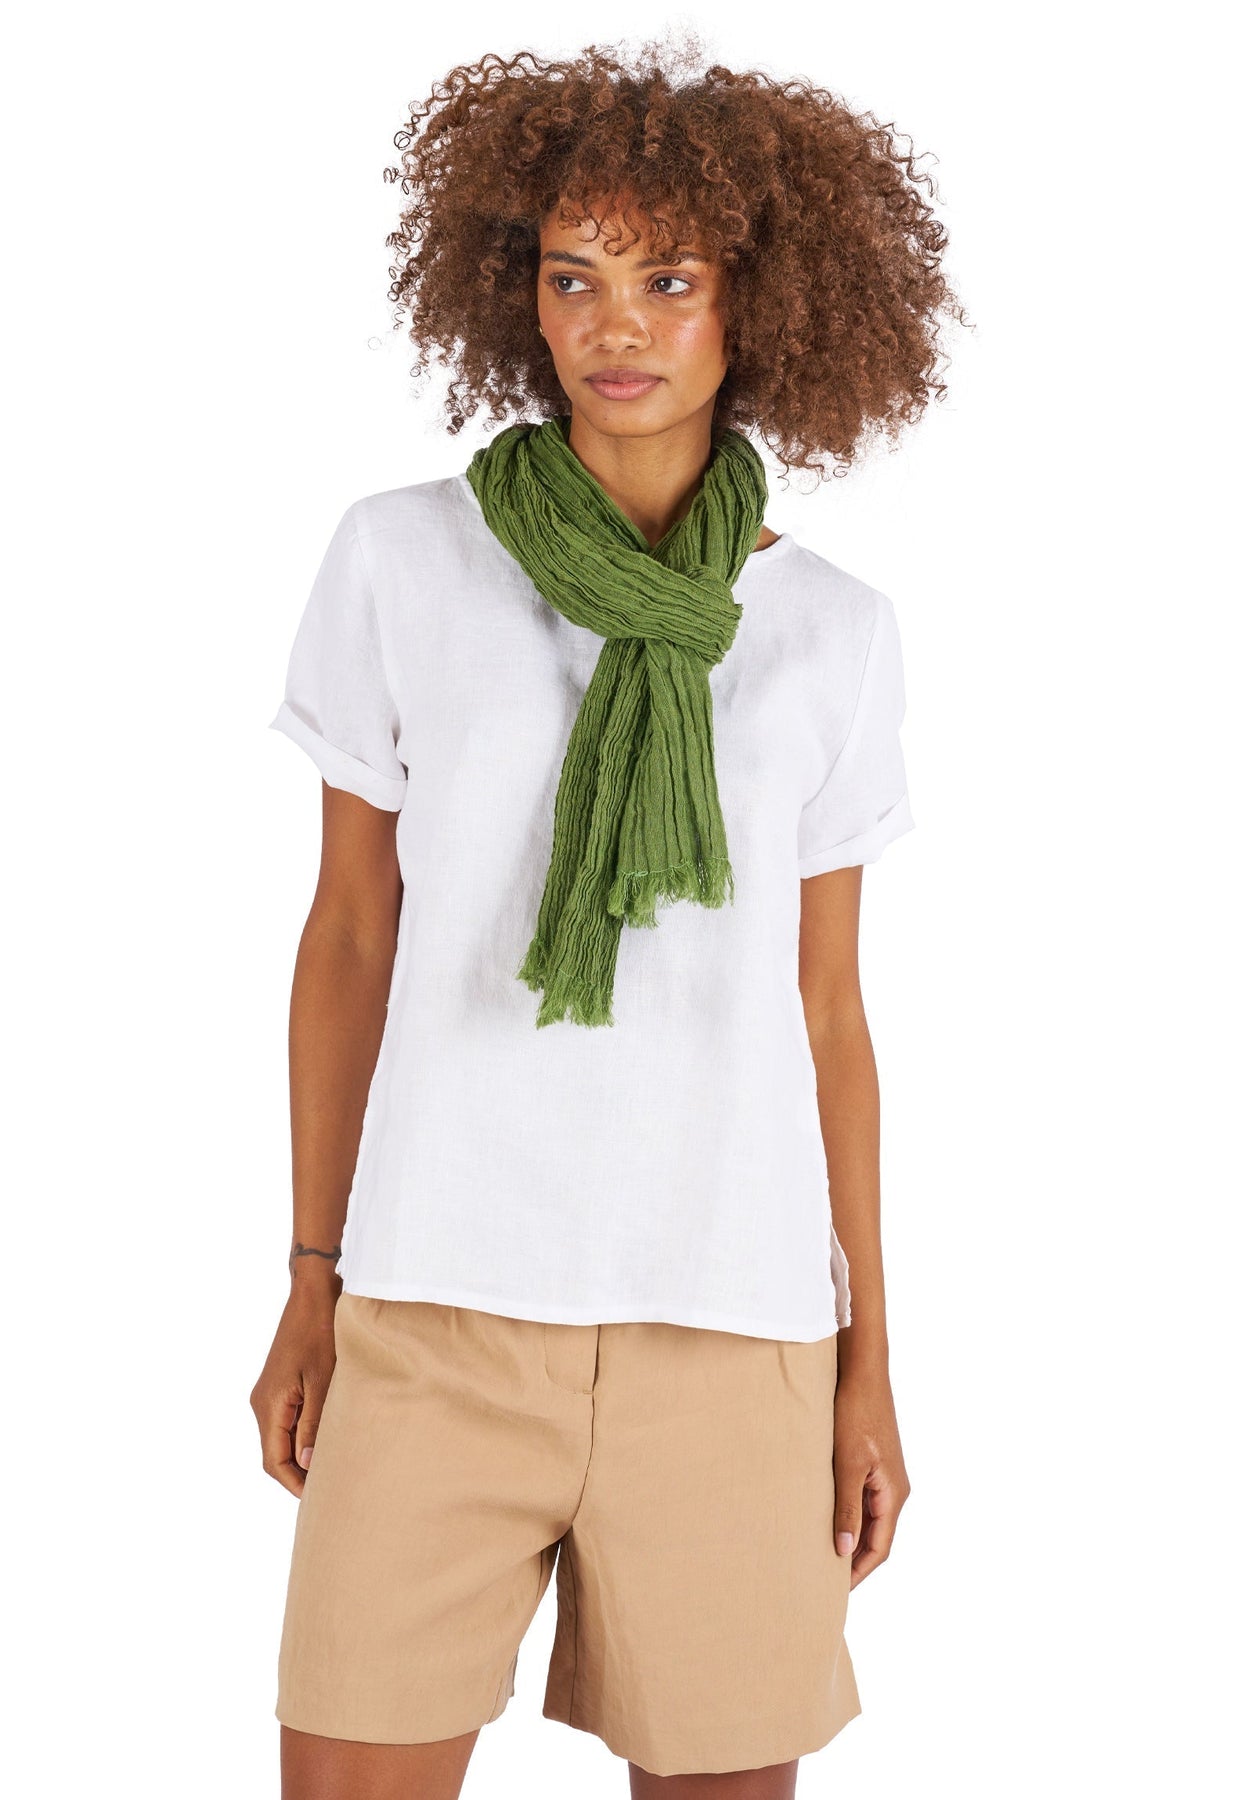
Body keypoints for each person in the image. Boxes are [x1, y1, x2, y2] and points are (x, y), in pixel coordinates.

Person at [250, 36, 966, 1800]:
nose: (615, 325)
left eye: (669, 279)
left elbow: (827, 1014)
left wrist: (871, 1363)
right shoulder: (401, 560)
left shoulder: (835, 633)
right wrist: (311, 1280)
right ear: (517, 295)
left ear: (756, 307)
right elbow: (349, 939)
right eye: (573, 278)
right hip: (434, 1305)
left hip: (731, 1324)